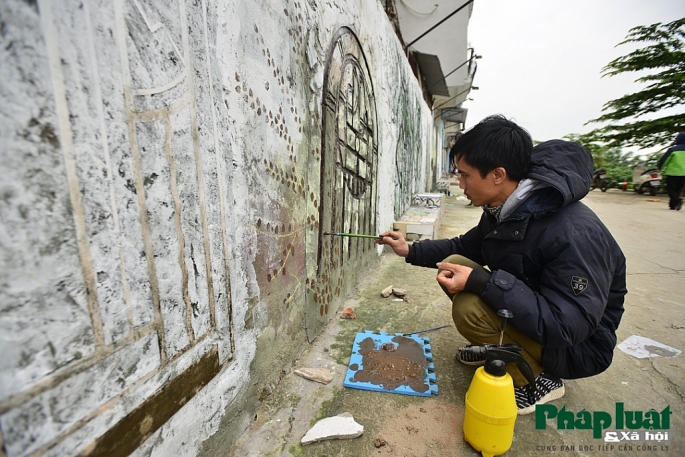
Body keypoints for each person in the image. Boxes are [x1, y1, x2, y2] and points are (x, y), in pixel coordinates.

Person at [376, 115, 627, 415]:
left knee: (469, 309)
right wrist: (409, 249)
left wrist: (482, 283)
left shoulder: (573, 233)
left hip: (577, 347)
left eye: (466, 175)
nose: (460, 183)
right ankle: (504, 351)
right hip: (543, 317)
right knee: (454, 263)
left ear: (497, 174)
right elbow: (463, 247)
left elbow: (567, 325)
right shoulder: (506, 209)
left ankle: (537, 379)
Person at [657, 132, 685, 211]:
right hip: (684, 173)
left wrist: (660, 167)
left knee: (671, 189)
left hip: (673, 172)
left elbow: (664, 160)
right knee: (678, 189)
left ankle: (678, 200)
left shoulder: (673, 149)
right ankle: (673, 205)